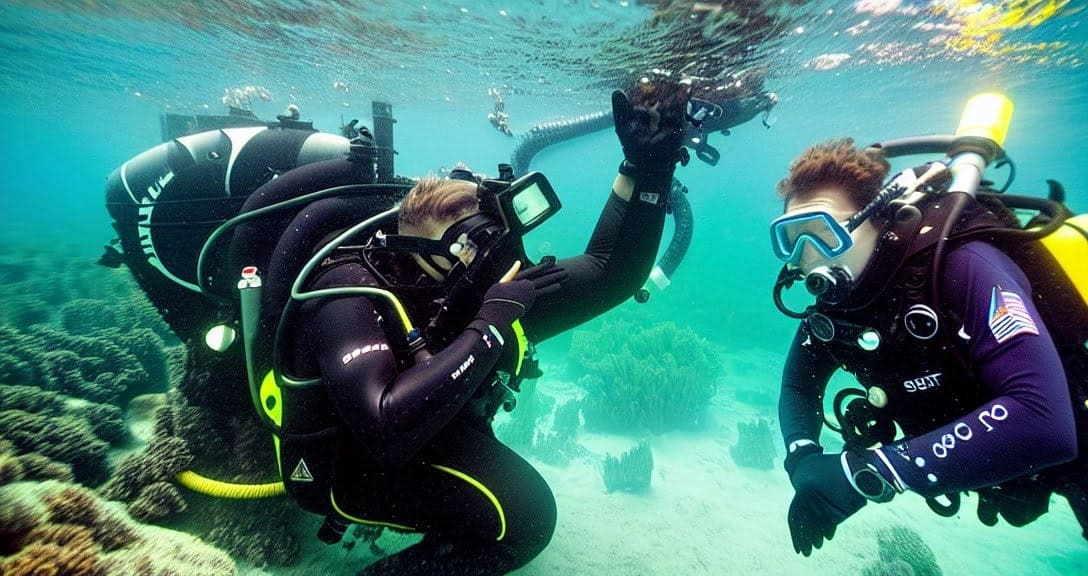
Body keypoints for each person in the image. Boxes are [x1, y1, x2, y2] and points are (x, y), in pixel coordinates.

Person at [272, 81, 691, 575]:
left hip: (428, 426)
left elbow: (610, 271)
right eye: (474, 252)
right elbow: (383, 430)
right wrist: (490, 326)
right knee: (528, 520)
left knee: (519, 508)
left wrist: (648, 171)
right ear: (418, 258)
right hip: (350, 466)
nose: (494, 262)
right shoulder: (348, 296)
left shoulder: (488, 283)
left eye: (496, 242)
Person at [768, 138, 1088, 556]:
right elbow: (798, 387)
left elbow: (1043, 421)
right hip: (987, 468)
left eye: (823, 234)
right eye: (792, 238)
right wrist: (803, 460)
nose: (806, 257)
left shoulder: (960, 266)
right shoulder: (838, 307)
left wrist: (870, 472)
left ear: (879, 220)